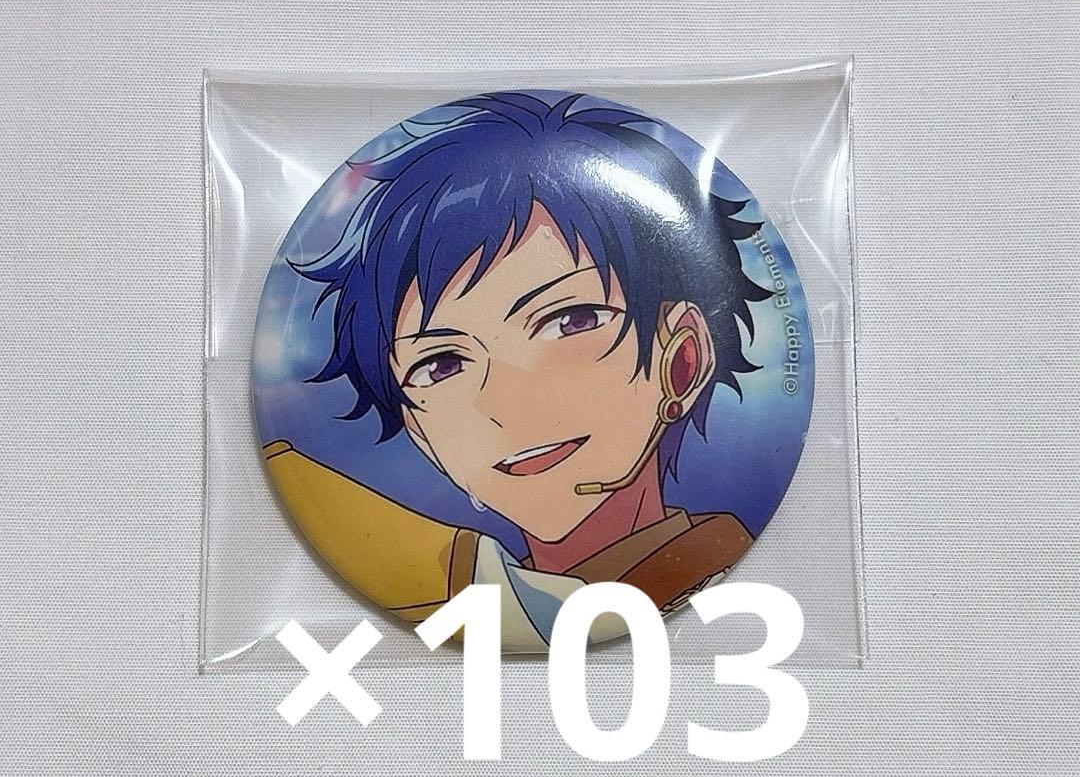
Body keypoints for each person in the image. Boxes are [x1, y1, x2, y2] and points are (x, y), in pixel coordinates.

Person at [263, 91, 771, 649]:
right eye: (442, 363)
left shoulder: (706, 574)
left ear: (682, 359)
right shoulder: (462, 587)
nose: (505, 405)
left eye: (572, 320)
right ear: (422, 435)